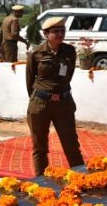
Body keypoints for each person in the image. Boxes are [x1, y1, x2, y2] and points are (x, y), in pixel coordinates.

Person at [25, 17, 84, 176]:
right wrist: (45, 95)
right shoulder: (36, 53)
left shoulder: (69, 51)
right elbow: (30, 81)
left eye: (62, 31)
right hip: (40, 104)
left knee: (71, 144)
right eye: (55, 31)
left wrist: (59, 92)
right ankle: (41, 182)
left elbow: (68, 75)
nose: (60, 34)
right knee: (39, 147)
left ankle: (81, 178)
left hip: (64, 104)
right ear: (46, 34)